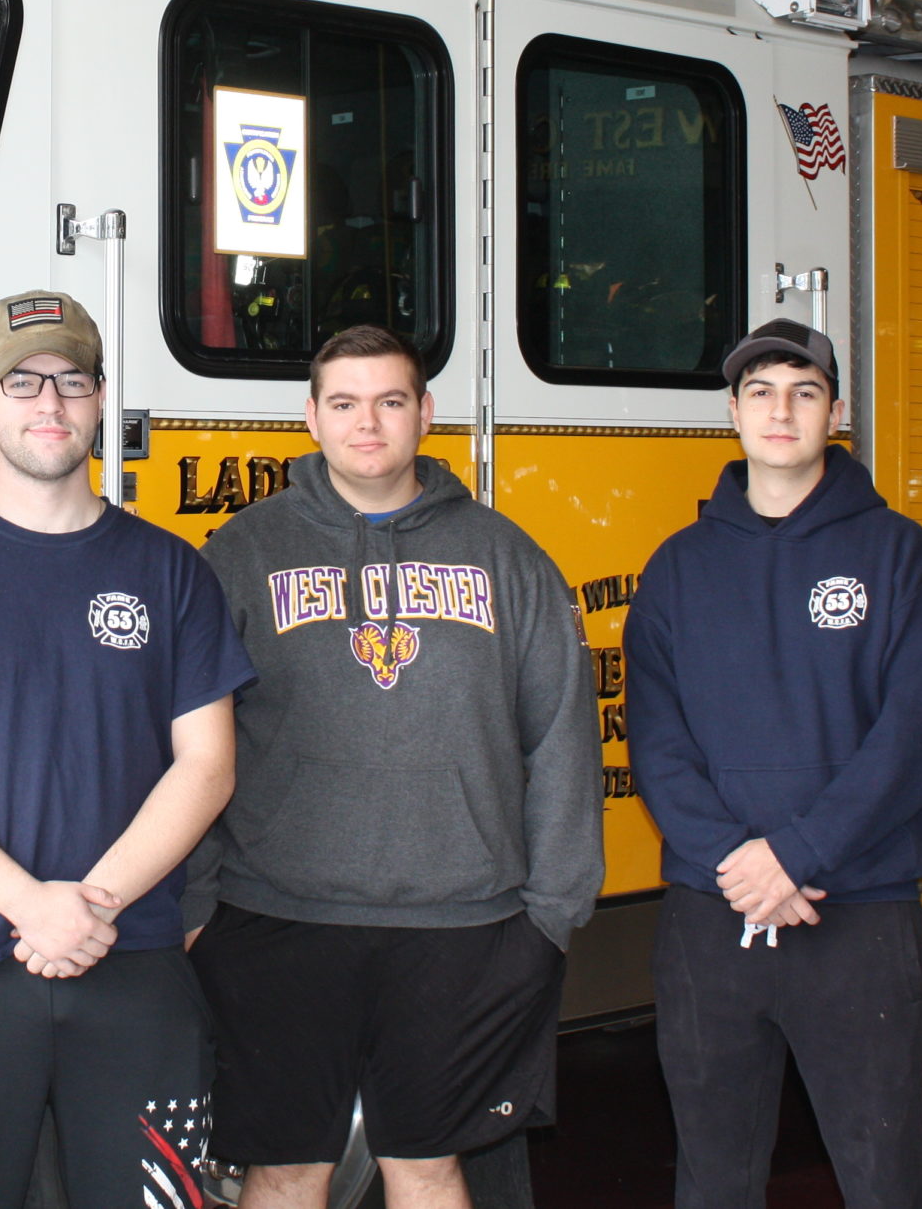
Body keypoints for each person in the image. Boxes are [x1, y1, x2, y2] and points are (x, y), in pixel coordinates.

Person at [187, 324, 604, 1209]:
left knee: (429, 1166)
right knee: (283, 1170)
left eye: (389, 401)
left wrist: (551, 915)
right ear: (311, 417)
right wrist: (195, 908)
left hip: (463, 924)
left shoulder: (506, 556)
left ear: (425, 413)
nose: (366, 423)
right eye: (344, 403)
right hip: (275, 917)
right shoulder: (241, 554)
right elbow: (188, 741)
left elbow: (562, 735)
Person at [0, 289, 254, 1209]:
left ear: (101, 396)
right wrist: (30, 906)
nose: (49, 402)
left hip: (135, 959)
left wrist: (91, 907)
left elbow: (208, 765)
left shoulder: (172, 571)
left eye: (72, 381)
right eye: (22, 381)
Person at [623, 318, 922, 1209]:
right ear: (733, 412)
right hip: (713, 916)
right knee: (714, 1178)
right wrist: (739, 863)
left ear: (836, 413)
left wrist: (795, 854)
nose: (782, 411)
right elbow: (656, 742)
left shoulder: (901, 556)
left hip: (858, 913)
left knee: (884, 1177)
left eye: (805, 392)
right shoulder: (676, 569)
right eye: (762, 393)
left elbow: (911, 738)